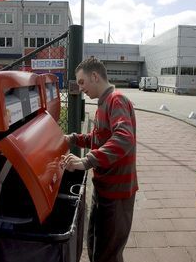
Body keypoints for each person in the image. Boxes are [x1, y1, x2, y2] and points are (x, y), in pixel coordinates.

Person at [62, 57, 138, 262]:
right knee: (95, 244)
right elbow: (98, 139)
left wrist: (86, 161)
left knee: (108, 253)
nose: (80, 88)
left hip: (117, 194)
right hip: (104, 190)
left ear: (94, 76)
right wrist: (72, 139)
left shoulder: (116, 100)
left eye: (81, 82)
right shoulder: (103, 104)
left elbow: (124, 138)